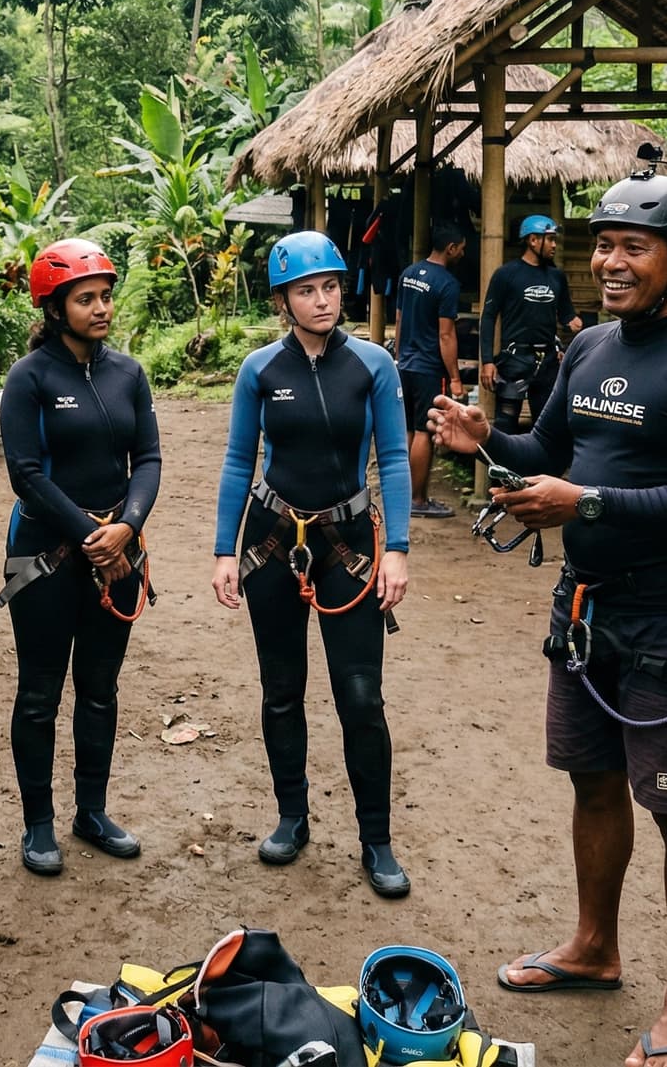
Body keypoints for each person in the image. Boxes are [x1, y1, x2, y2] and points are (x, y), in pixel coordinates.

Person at [430, 159, 667, 1067]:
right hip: (583, 613)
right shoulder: (589, 348)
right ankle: (595, 945)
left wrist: (588, 506)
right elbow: (546, 446)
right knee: (589, 779)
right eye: (604, 245)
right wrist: (484, 438)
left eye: (634, 247)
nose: (612, 262)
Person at [212, 231, 414, 898]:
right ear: (283, 300)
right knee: (281, 687)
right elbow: (242, 461)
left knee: (361, 694)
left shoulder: (375, 366)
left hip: (348, 540)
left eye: (330, 285)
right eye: (306, 289)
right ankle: (292, 817)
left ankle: (376, 838)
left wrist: (399, 550)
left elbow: (391, 458)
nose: (322, 299)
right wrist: (223, 549)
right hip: (271, 537)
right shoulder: (260, 370)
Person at [0, 239, 162, 876]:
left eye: (104, 296)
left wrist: (127, 526)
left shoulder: (127, 373)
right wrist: (93, 536)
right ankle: (39, 824)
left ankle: (91, 811)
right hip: (42, 554)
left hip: (118, 552)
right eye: (85, 298)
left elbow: (146, 458)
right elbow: (26, 473)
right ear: (54, 306)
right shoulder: (30, 378)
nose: (101, 308)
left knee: (99, 688)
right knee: (39, 692)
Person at [480, 214, 583, 434]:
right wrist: (487, 361)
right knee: (505, 426)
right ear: (532, 240)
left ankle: (539, 468)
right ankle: (501, 468)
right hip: (514, 360)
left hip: (547, 363)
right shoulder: (505, 275)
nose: (554, 245)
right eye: (550, 239)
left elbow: (567, 315)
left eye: (555, 239)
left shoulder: (556, 277)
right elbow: (488, 317)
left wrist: (572, 327)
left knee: (544, 428)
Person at [395, 221, 468, 519]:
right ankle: (418, 499)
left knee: (409, 430)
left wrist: (399, 355)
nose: (463, 254)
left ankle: (402, 496)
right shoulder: (447, 284)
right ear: (450, 248)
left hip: (406, 363)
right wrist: (454, 378)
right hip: (428, 368)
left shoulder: (409, 274)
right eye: (461, 249)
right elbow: (446, 335)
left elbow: (399, 319)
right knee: (425, 430)